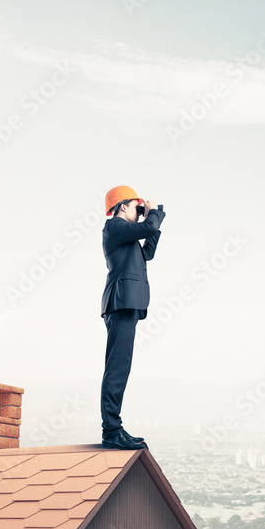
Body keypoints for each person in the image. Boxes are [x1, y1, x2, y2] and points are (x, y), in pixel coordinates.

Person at [99, 185, 166, 450]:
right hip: (120, 303)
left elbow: (147, 251)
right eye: (135, 207)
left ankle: (114, 430)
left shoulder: (128, 239)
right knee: (116, 369)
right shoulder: (114, 227)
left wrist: (155, 214)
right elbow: (147, 228)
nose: (139, 213)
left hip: (127, 304)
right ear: (123, 206)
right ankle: (112, 432)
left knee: (120, 368)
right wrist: (151, 214)